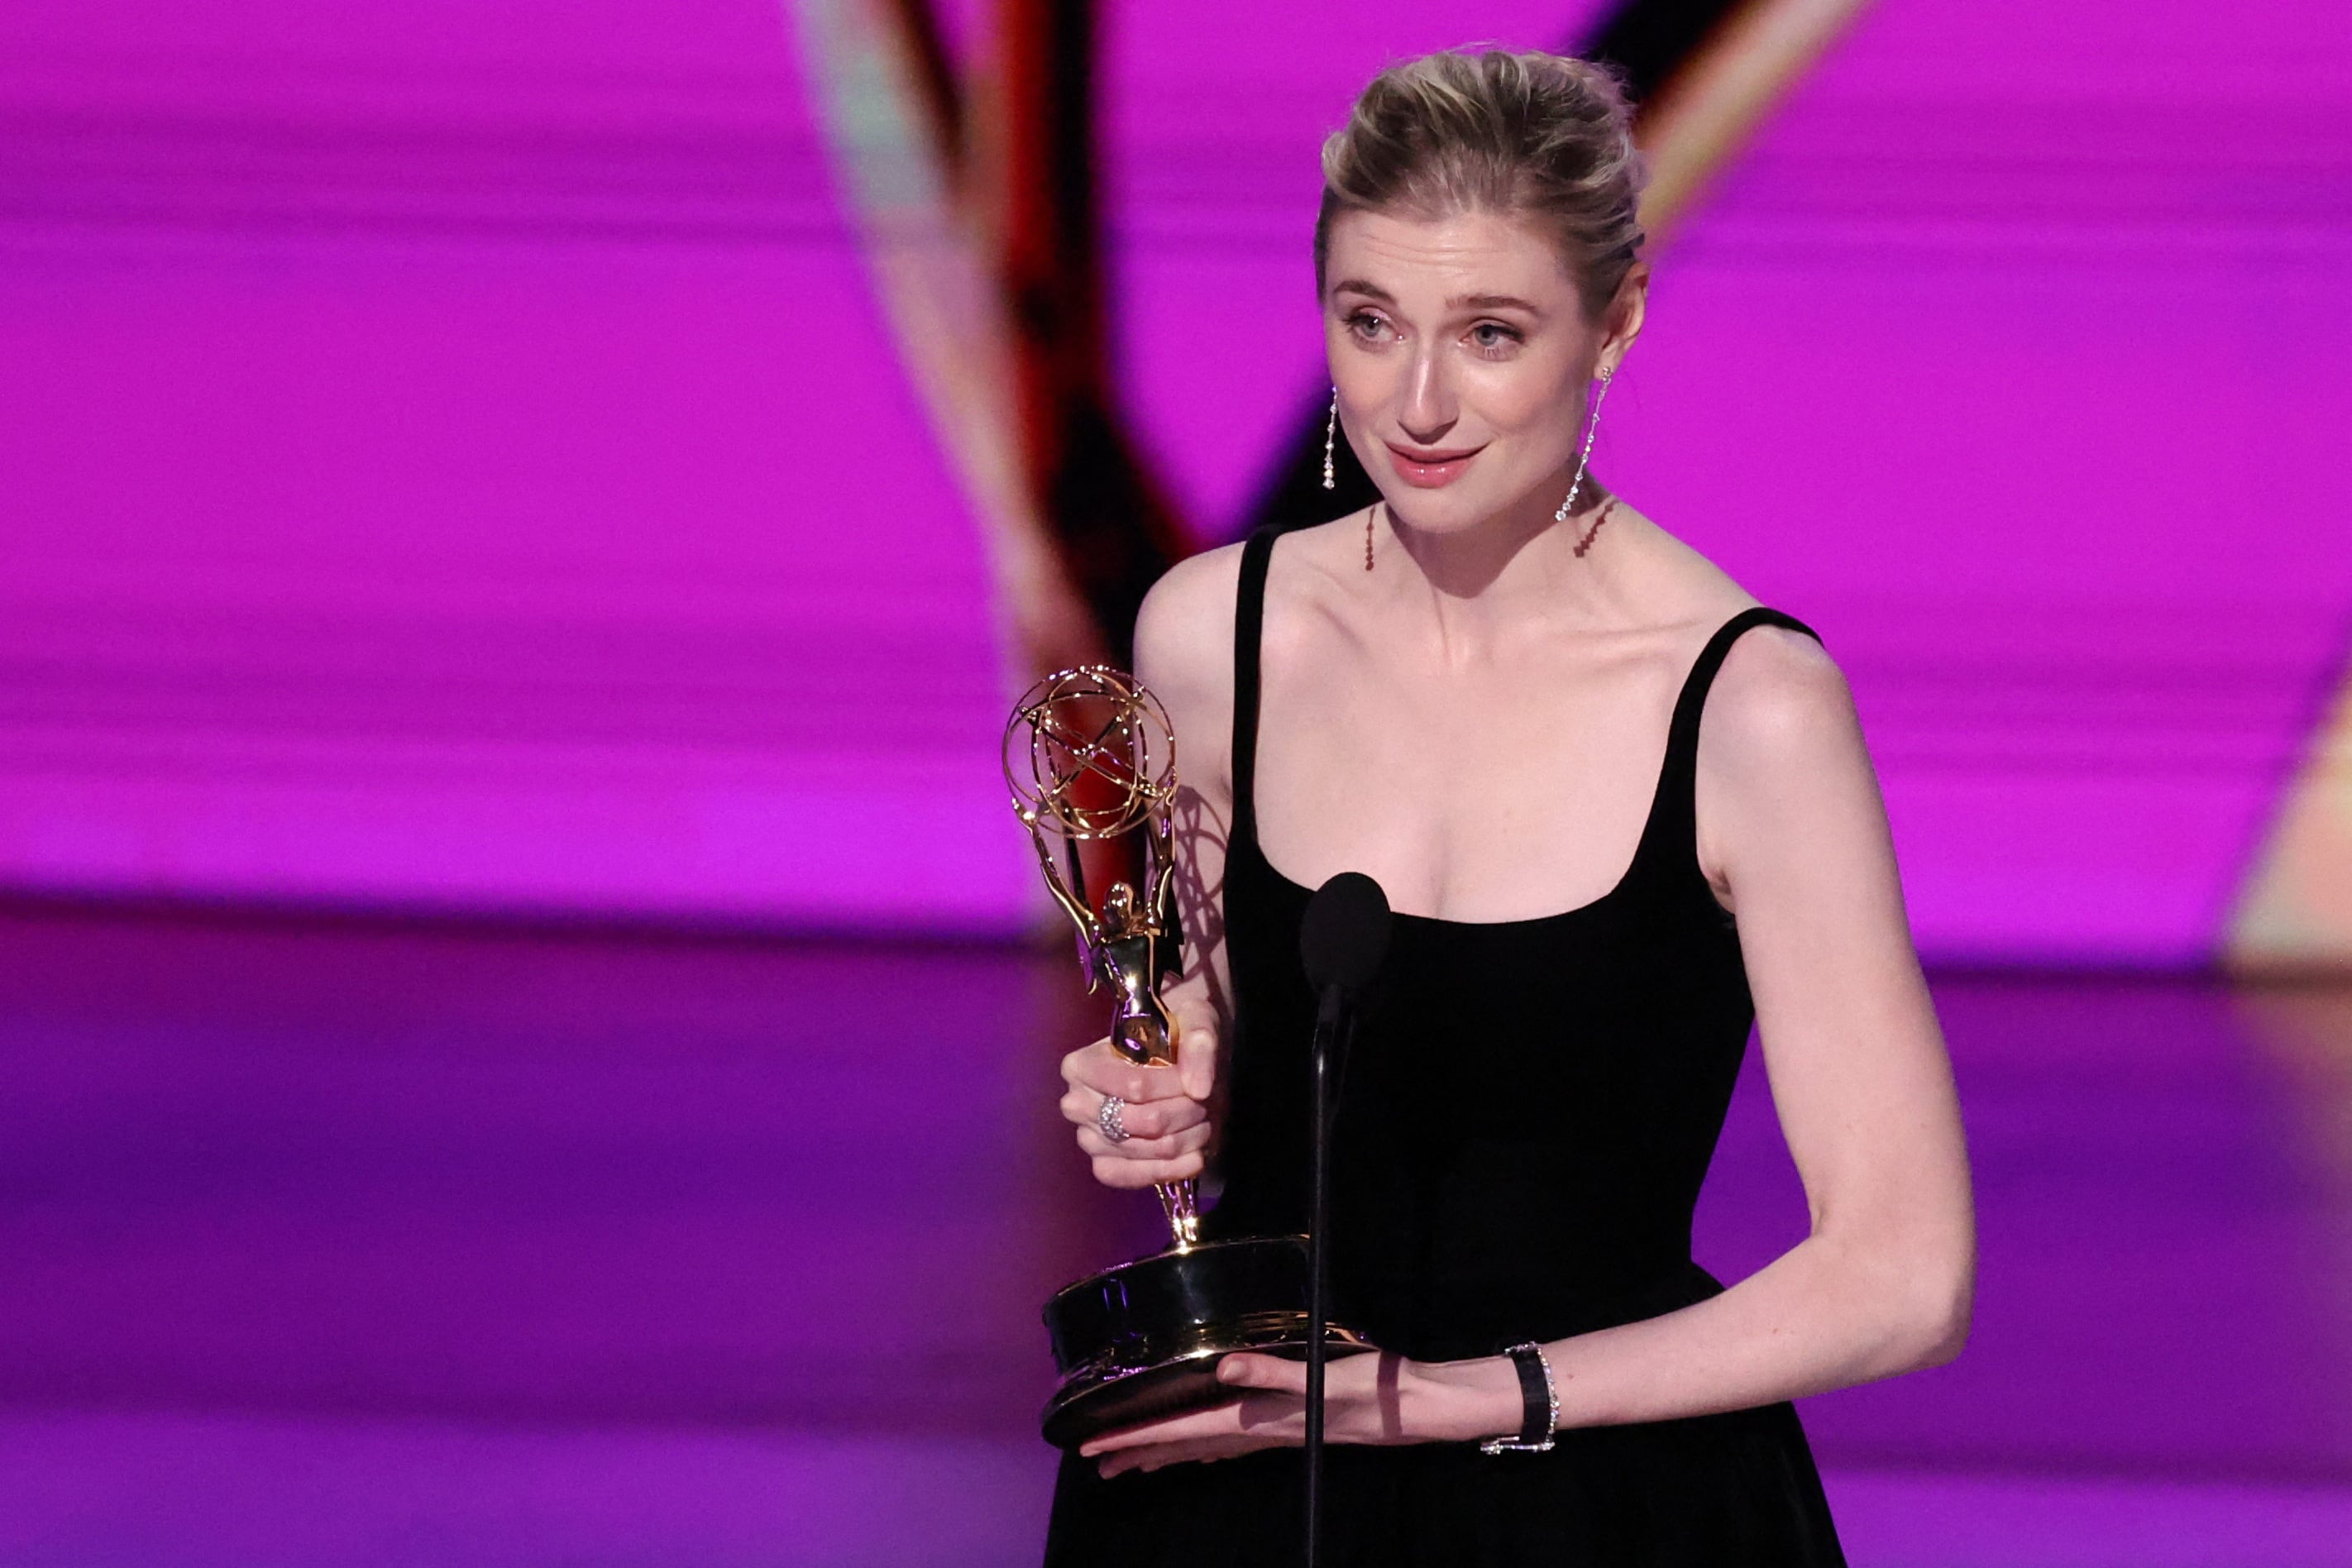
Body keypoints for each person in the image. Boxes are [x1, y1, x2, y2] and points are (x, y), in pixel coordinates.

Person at [1044, 47, 1973, 1566]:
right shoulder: (1212, 637)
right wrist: (1162, 1094)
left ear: (1617, 323)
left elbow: (1905, 1272)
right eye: (1371, 323)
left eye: (1490, 333)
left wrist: (1453, 1399)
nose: (1417, 402)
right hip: (1247, 1483)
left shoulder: (1748, 705)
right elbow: (1205, 1049)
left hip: (1596, 1501)